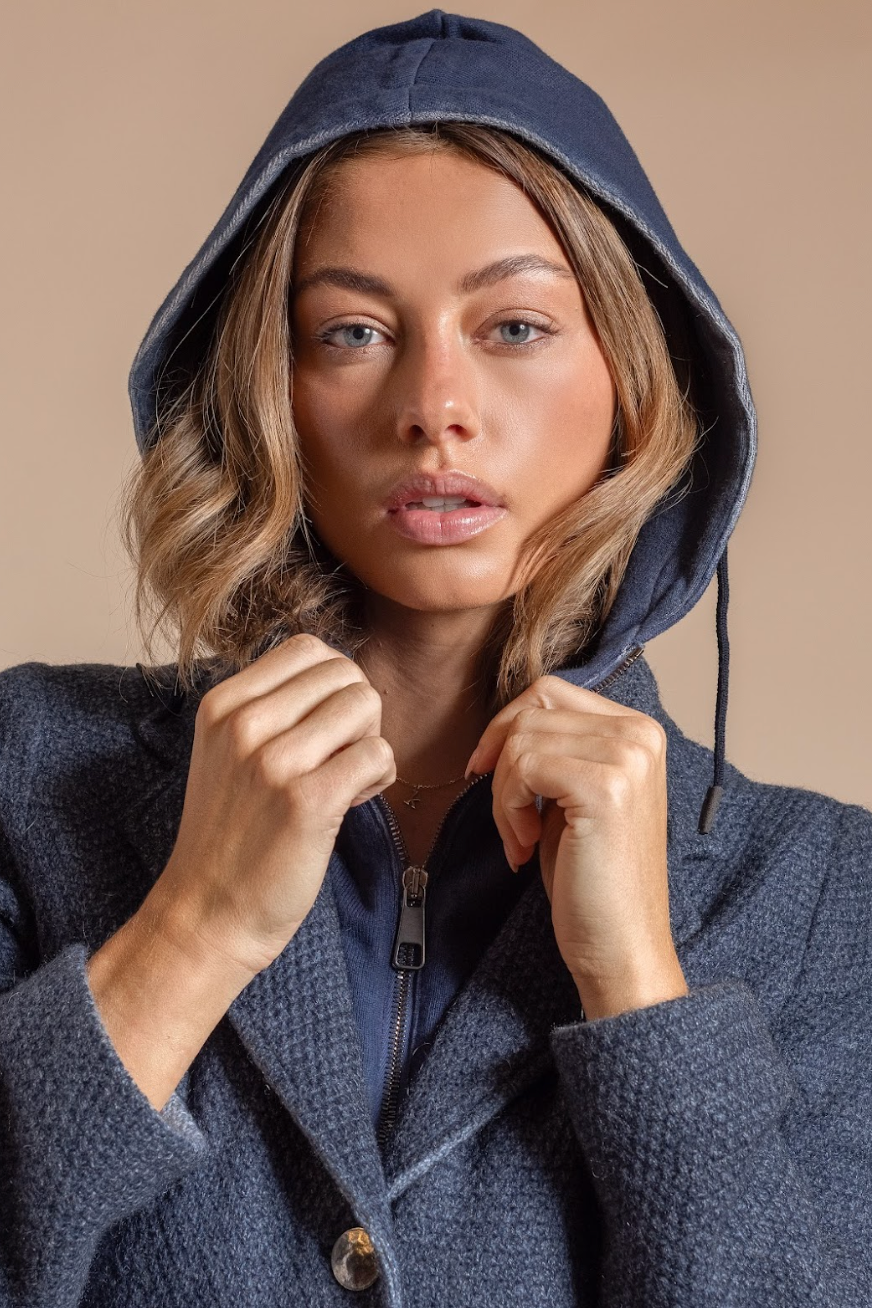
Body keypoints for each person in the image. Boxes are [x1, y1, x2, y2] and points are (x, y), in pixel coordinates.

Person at [0, 9, 869, 1306]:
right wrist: (192, 929)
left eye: (514, 327)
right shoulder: (27, 777)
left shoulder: (824, 894)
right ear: (262, 386)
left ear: (635, 384)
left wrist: (640, 989)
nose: (433, 406)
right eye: (351, 331)